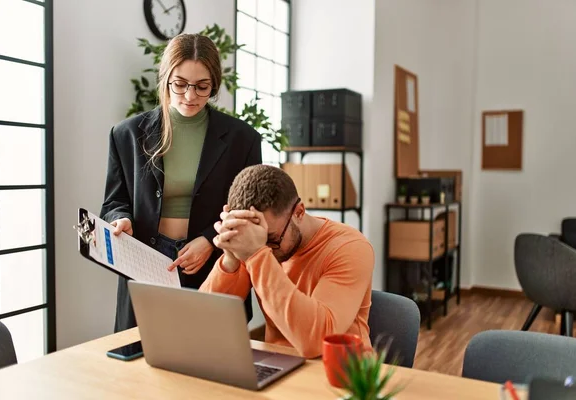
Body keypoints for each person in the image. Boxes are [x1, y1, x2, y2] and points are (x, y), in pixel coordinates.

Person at [100, 33, 262, 333]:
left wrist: (209, 240)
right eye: (180, 84)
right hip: (144, 260)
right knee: (139, 362)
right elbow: (113, 201)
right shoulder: (127, 134)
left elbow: (248, 210)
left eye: (202, 87)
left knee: (210, 360)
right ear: (166, 79)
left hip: (211, 261)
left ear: (214, 84)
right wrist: (120, 219)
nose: (190, 96)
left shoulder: (243, 139)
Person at [200, 165, 374, 358]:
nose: (265, 247)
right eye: (257, 240)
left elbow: (317, 342)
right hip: (280, 362)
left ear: (299, 212)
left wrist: (257, 253)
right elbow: (205, 318)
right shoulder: (253, 243)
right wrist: (230, 258)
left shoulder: (350, 247)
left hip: (343, 372)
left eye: (272, 239)